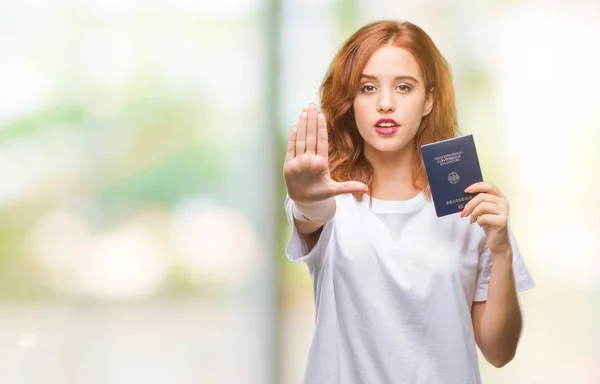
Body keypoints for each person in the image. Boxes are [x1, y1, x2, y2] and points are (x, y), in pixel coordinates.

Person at [282, 20, 534, 384]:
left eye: (404, 87)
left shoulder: (469, 203)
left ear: (428, 99)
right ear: (351, 101)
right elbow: (312, 215)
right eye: (367, 88)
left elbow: (499, 352)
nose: (386, 104)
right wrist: (304, 200)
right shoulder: (330, 196)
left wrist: (502, 251)